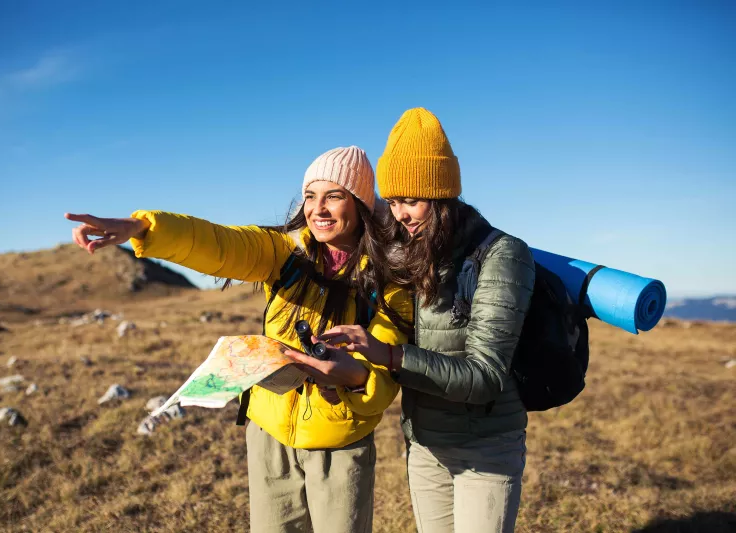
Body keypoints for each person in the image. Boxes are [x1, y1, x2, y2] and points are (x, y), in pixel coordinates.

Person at [65, 146, 412, 533]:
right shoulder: (283, 253)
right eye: (311, 196)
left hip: (339, 443)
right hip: (267, 436)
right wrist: (144, 229)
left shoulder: (388, 280)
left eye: (334, 196)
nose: (319, 209)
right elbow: (219, 243)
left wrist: (353, 377)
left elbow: (386, 375)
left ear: (361, 203)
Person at [287, 110, 535, 533]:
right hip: (423, 444)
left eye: (412, 200)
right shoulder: (408, 256)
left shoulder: (502, 255)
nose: (399, 214)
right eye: (394, 201)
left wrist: (388, 354)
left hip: (486, 448)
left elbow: (486, 376)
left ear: (442, 196)